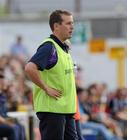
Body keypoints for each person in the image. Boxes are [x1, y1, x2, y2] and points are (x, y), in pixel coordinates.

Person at [25, 10, 78, 140]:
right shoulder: (49, 47)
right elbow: (30, 68)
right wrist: (46, 88)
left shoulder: (63, 47)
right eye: (68, 23)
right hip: (52, 110)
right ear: (56, 26)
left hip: (66, 109)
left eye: (72, 23)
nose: (72, 27)